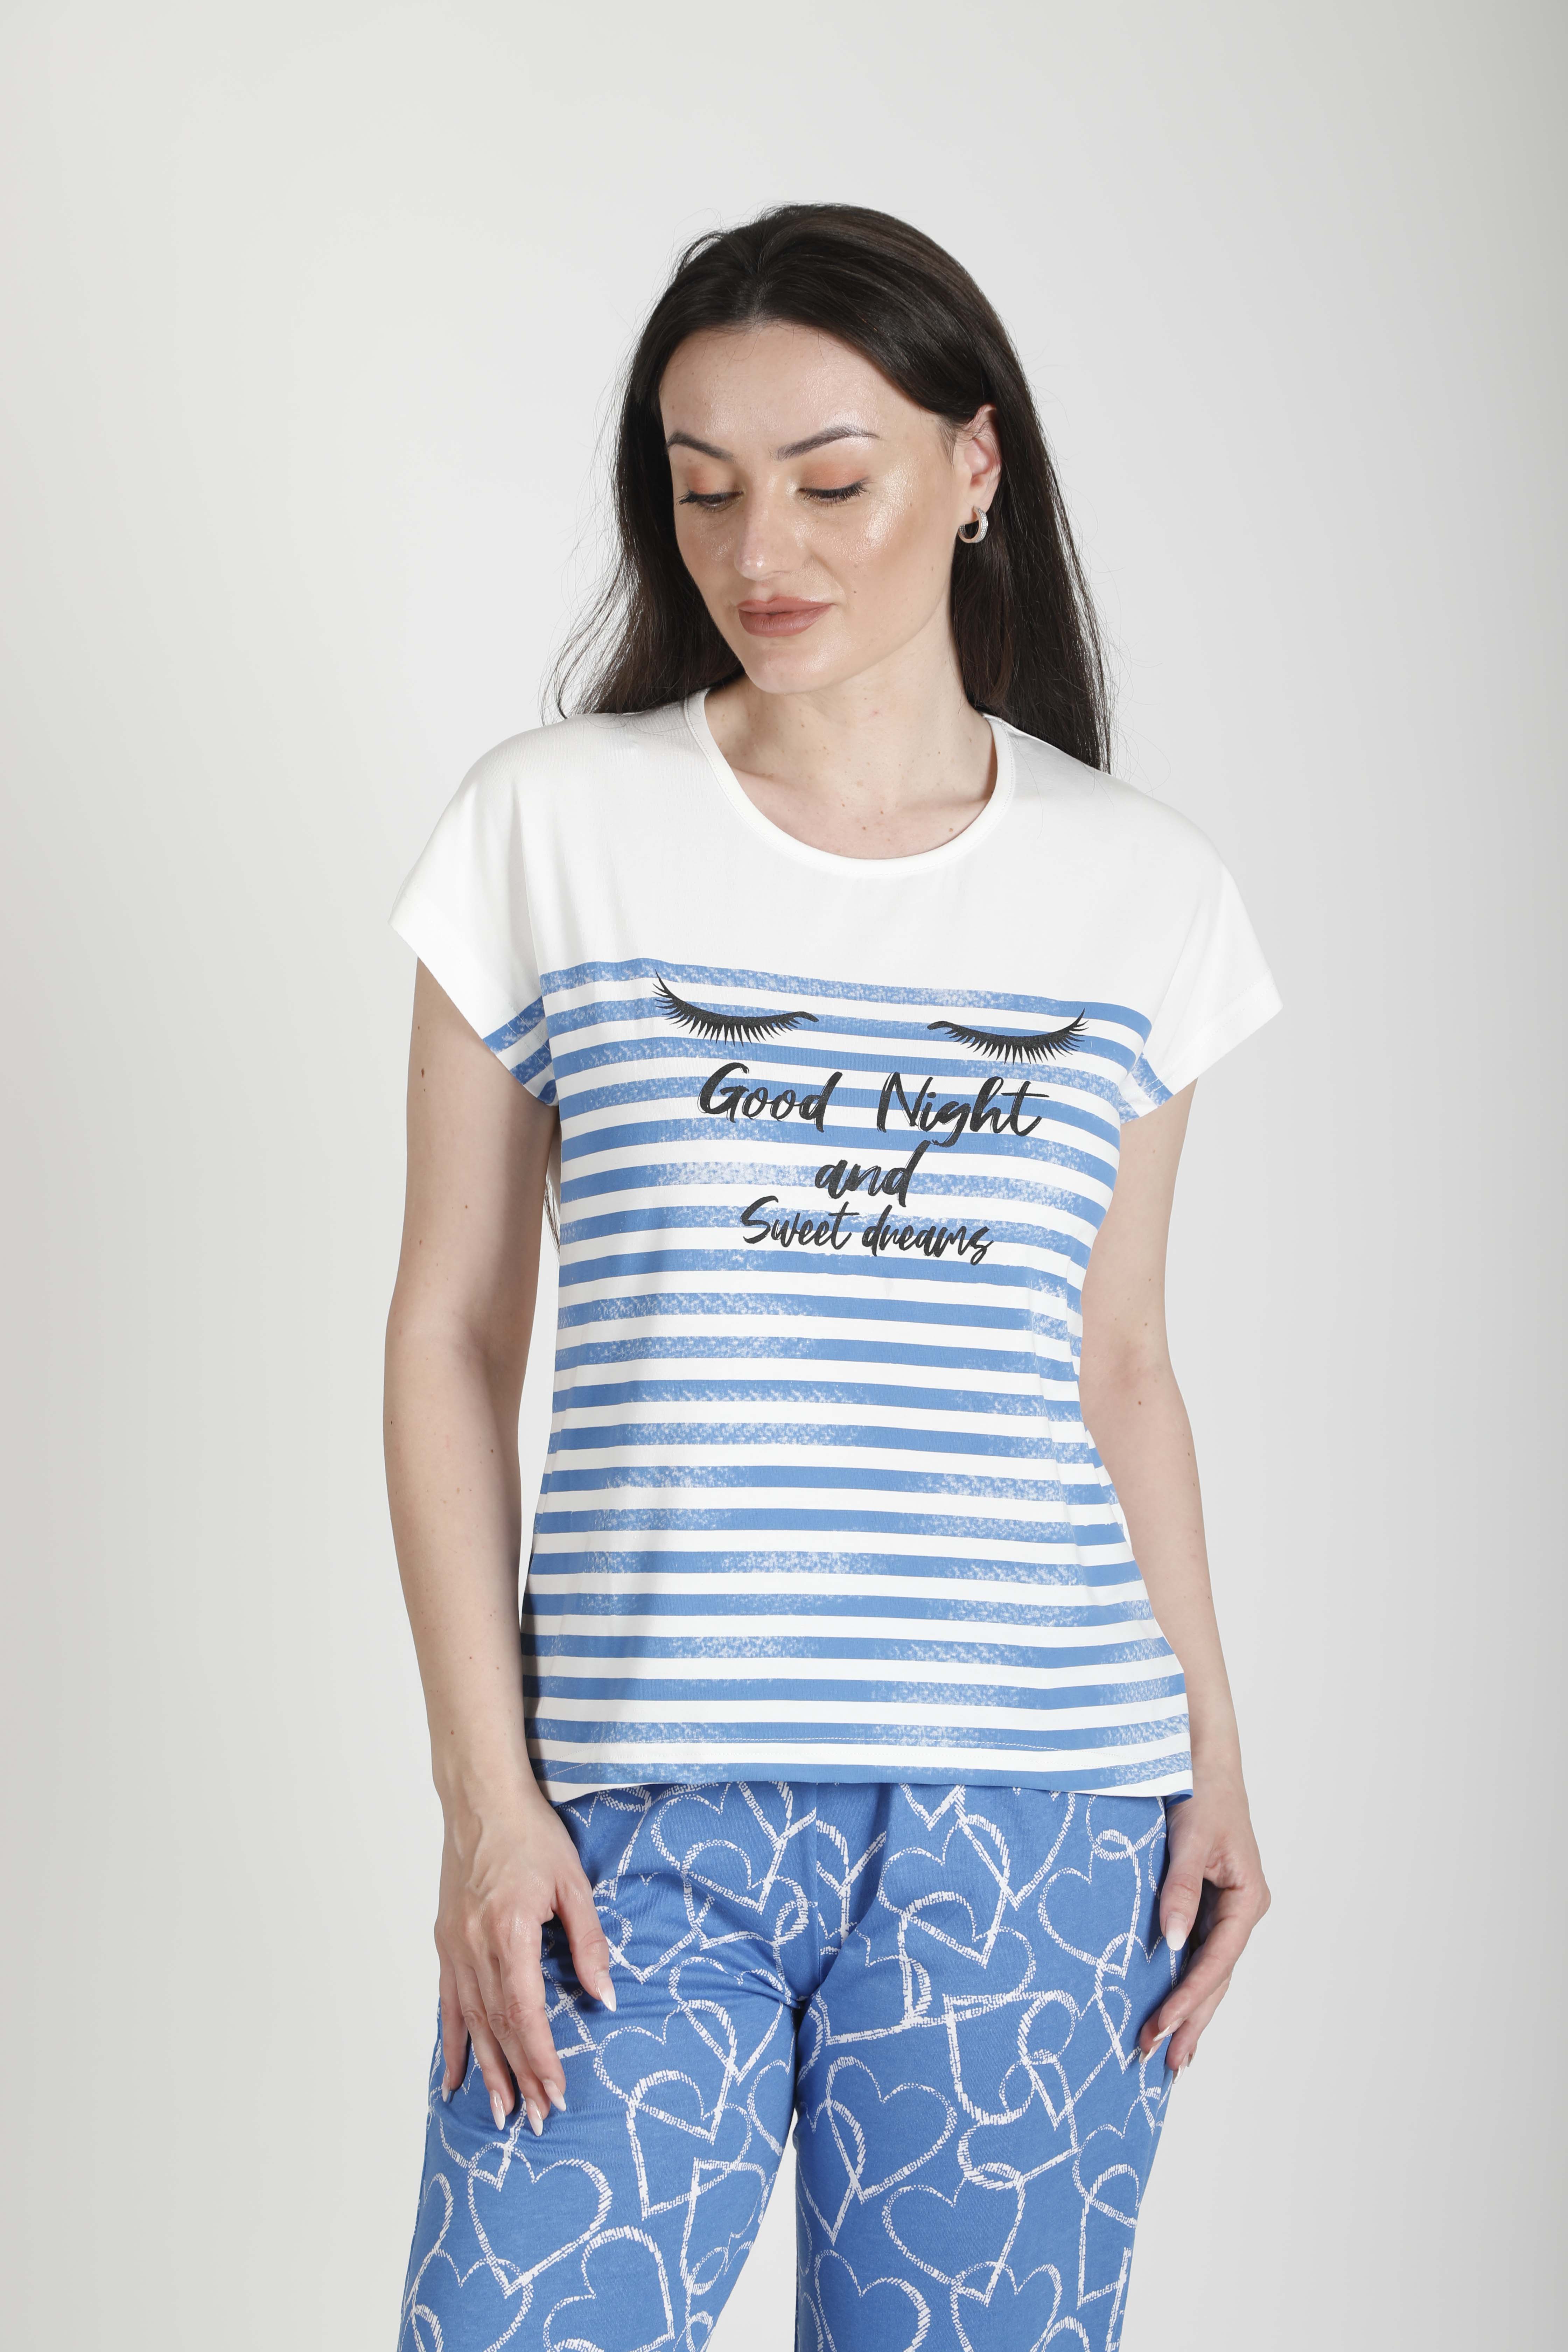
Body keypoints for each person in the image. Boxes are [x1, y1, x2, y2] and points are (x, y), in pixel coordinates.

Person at [383, 202, 1280, 2352]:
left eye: (827, 480)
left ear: (975, 468)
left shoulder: (1142, 891)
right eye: (702, 489)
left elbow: (1122, 1364)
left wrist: (1217, 1756)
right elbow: (452, 1332)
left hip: (1038, 1818)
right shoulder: (550, 829)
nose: (757, 548)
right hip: (632, 1811)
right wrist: (486, 1801)